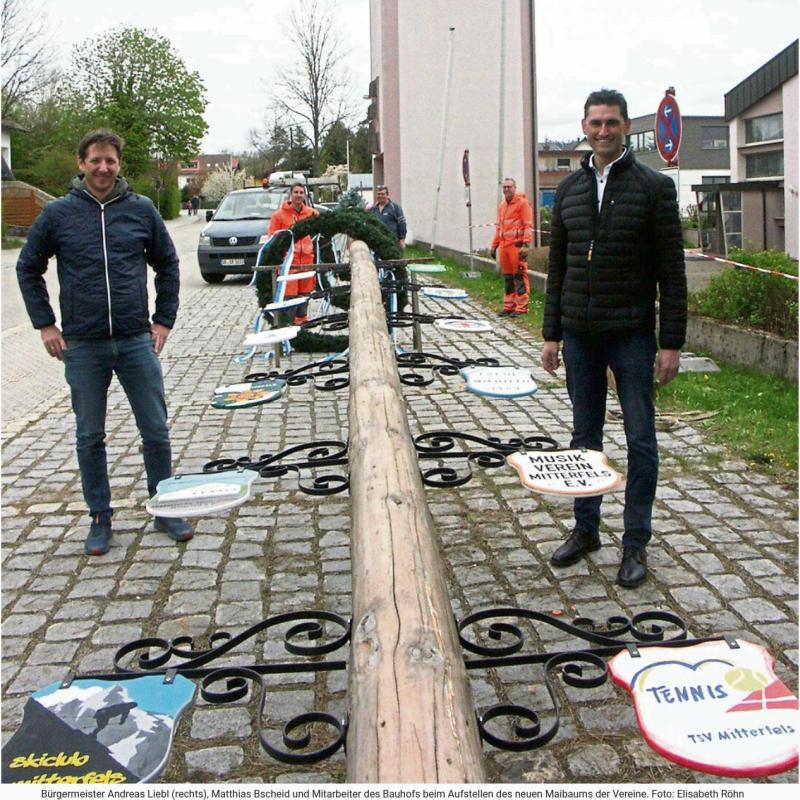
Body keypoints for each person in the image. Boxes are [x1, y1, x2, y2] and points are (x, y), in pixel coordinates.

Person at [16, 128, 193, 556]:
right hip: (82, 345)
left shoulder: (141, 210)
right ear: (82, 163)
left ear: (119, 165)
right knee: (89, 435)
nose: (103, 167)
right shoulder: (59, 214)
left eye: (110, 160)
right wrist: (46, 324)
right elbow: (27, 267)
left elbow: (168, 264)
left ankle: (165, 505)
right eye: (95, 159)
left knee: (155, 429)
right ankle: (100, 515)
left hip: (136, 340)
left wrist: (163, 320)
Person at [540, 88, 687, 589]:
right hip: (580, 337)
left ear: (625, 127)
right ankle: (586, 530)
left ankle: (635, 542)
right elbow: (557, 267)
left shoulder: (654, 187)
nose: (603, 131)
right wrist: (551, 335)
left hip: (631, 336)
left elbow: (673, 271)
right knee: (584, 440)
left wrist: (671, 343)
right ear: (584, 126)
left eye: (612, 123)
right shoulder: (568, 190)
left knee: (640, 440)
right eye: (595, 123)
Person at [267, 182, 320, 325]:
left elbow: (322, 227)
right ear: (291, 195)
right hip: (289, 264)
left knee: (304, 296)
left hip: (307, 262)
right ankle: (288, 327)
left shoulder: (311, 213)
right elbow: (272, 239)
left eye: (301, 193)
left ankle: (302, 326)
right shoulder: (278, 216)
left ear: (305, 195)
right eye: (296, 192)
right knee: (290, 297)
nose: (298, 195)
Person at [491, 178, 533, 316]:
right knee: (508, 278)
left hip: (516, 246)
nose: (506, 189)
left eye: (509, 187)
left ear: (515, 188)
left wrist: (526, 244)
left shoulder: (522, 203)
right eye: (504, 187)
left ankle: (522, 307)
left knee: (519, 276)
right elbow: (500, 228)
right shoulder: (502, 206)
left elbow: (528, 225)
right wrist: (494, 245)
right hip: (504, 247)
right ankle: (509, 306)